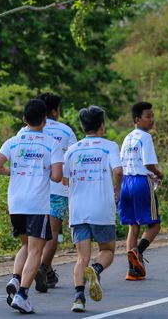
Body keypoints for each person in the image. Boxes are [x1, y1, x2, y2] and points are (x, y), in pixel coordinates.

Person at [0, 99, 64, 314]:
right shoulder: (52, 143)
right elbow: (58, 177)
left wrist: (13, 172)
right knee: (36, 250)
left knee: (25, 245)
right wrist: (44, 172)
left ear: (24, 119)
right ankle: (22, 294)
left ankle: (15, 278)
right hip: (36, 204)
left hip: (16, 202)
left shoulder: (13, 141)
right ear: (45, 121)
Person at [63, 106, 122, 312]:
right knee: (107, 250)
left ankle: (78, 299)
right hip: (101, 209)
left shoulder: (72, 149)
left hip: (78, 210)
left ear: (82, 126)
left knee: (81, 257)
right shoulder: (110, 146)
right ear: (102, 126)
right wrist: (116, 190)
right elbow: (118, 170)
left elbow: (64, 179)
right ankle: (96, 270)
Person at [16, 93, 76, 293]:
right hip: (58, 189)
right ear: (54, 111)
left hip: (30, 191)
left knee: (31, 241)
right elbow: (72, 160)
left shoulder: (24, 131)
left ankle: (39, 272)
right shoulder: (66, 131)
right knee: (52, 234)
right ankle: (42, 267)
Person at [119, 102, 164, 281]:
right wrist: (159, 173)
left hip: (126, 182)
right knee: (154, 224)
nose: (151, 120)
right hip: (140, 181)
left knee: (133, 226)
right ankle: (138, 252)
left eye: (152, 116)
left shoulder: (128, 137)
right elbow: (148, 163)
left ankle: (133, 269)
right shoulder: (145, 137)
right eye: (148, 116)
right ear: (137, 119)